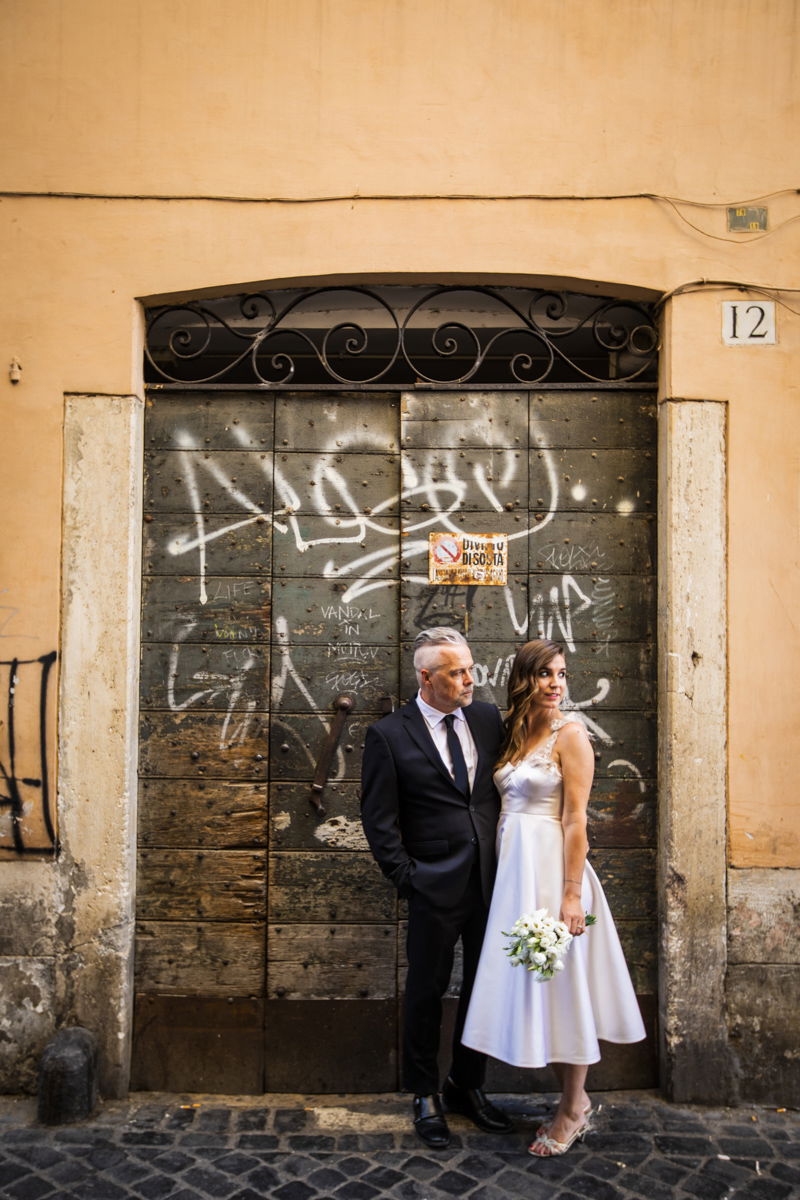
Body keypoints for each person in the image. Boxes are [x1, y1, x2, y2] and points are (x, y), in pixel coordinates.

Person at [461, 638, 646, 1157]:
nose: (556, 683)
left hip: (552, 873)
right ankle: (563, 1095)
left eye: (561, 674)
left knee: (566, 983)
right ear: (526, 678)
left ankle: (573, 1104)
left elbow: (575, 819)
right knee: (537, 980)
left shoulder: (571, 734)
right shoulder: (516, 728)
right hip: (514, 874)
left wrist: (570, 895)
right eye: (545, 673)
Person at [360, 627, 514, 1148]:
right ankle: (424, 1092)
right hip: (432, 886)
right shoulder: (389, 735)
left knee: (484, 987)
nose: (470, 680)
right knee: (426, 990)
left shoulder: (488, 718)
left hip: (493, 881)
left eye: (470, 669)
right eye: (456, 673)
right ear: (426, 678)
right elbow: (378, 819)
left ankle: (466, 1085)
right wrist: (408, 878)